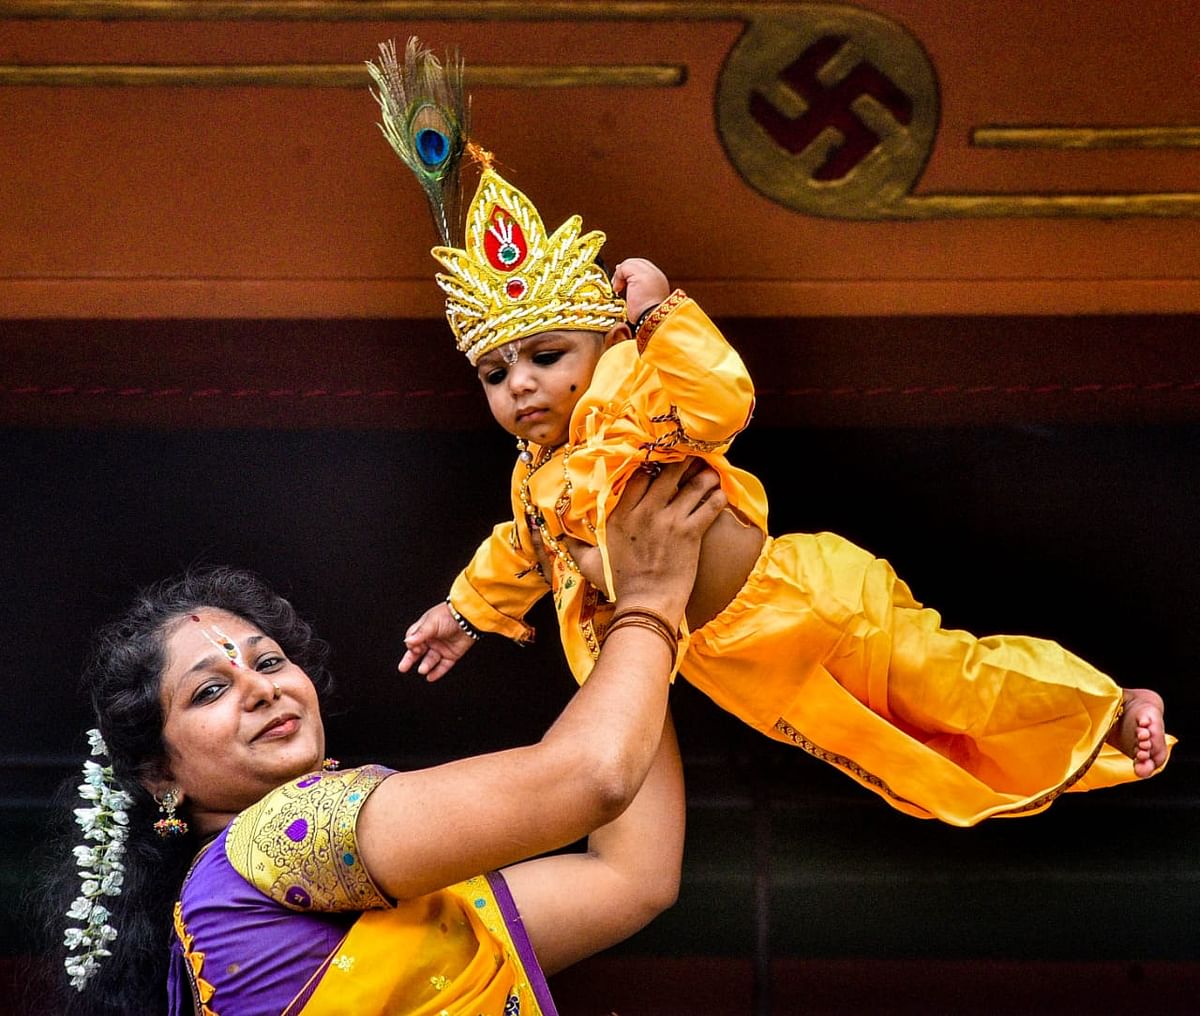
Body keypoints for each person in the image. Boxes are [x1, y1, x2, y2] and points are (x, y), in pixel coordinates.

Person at [395, 162, 1173, 828]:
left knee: (950, 681)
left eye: (546, 354)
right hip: (735, 663)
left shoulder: (629, 402)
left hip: (804, 603)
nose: (521, 383)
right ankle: (1082, 748)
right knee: (902, 756)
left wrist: (660, 313)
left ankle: (1112, 703)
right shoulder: (534, 475)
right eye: (496, 374)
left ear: (604, 348)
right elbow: (522, 549)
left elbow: (720, 403)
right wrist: (465, 613)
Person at [40, 460, 727, 1015]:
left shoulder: (335, 908)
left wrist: (607, 620)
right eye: (210, 690)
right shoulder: (275, 839)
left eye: (270, 660)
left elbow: (630, 878)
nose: (260, 687)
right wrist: (649, 600)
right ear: (162, 776)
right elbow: (592, 777)